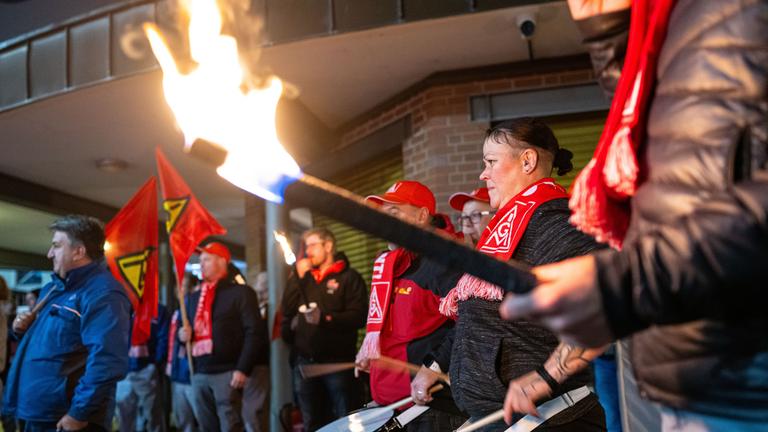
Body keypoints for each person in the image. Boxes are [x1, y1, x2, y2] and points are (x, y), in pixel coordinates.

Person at [499, 1, 768, 430]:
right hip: (691, 367)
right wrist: (611, 35)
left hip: (745, 376)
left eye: (492, 161)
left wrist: (625, 283)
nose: (484, 173)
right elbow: (677, 170)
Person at [411, 119, 606, 431]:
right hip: (499, 418)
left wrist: (547, 376)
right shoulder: (506, 231)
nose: (483, 174)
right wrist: (436, 364)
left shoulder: (555, 225)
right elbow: (477, 318)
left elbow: (605, 304)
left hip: (552, 420)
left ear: (527, 160)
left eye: (491, 162)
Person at [2, 215, 132, 431]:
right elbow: (55, 343)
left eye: (56, 246)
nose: (49, 253)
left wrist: (79, 413)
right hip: (37, 412)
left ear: (78, 251)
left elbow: (106, 360)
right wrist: (21, 330)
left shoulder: (103, 293)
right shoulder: (53, 289)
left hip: (65, 417)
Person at [356, 180, 468, 431]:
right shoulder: (389, 265)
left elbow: (471, 322)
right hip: (394, 406)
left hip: (430, 410)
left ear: (421, 216)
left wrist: (434, 367)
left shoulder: (441, 261)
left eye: (393, 214)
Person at [279, 228, 367, 431]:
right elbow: (287, 308)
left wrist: (326, 318)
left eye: (312, 245)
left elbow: (359, 316)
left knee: (345, 420)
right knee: (311, 422)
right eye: (305, 246)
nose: (307, 251)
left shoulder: (349, 277)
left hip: (337, 364)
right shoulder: (305, 278)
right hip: (305, 363)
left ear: (328, 246)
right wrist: (296, 278)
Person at [178, 242, 268, 432]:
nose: (201, 264)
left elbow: (254, 332)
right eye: (200, 260)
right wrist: (182, 334)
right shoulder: (194, 298)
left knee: (231, 425)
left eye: (207, 259)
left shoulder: (241, 293)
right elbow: (187, 331)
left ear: (222, 262)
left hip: (228, 372)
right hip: (200, 371)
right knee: (205, 426)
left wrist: (243, 368)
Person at [115, 303, 171, 432]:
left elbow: (163, 338)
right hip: (124, 371)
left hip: (146, 369)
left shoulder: (158, 310)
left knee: (152, 414)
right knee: (125, 416)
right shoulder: (120, 306)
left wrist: (154, 363)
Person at [166, 273, 200, 432]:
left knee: (201, 417)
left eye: (184, 286)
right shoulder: (176, 311)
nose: (180, 290)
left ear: (193, 288)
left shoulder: (195, 309)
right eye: (178, 286)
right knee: (183, 419)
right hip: (177, 371)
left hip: (191, 372)